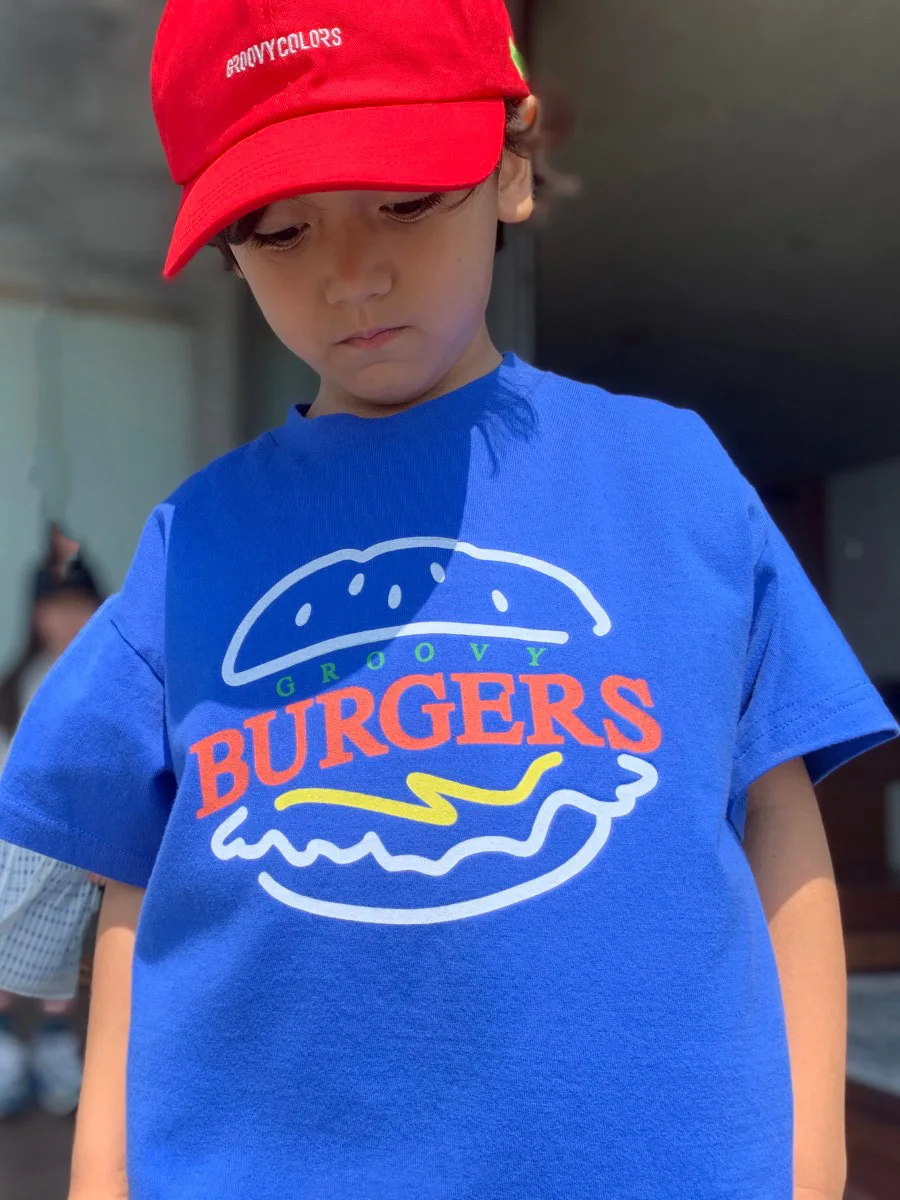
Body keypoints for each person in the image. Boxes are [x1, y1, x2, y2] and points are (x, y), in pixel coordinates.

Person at [0, 1, 895, 1196]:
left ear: (512, 164)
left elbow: (782, 828)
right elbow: (135, 901)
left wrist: (812, 1167)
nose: (352, 272)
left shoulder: (670, 478)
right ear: (226, 248)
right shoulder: (195, 541)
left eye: (406, 200)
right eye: (278, 228)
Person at [0, 541, 102, 1117]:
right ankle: (10, 1046)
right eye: (53, 605)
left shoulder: (111, 675)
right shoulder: (16, 686)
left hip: (82, 842)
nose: (65, 618)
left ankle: (58, 1045)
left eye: (77, 603)